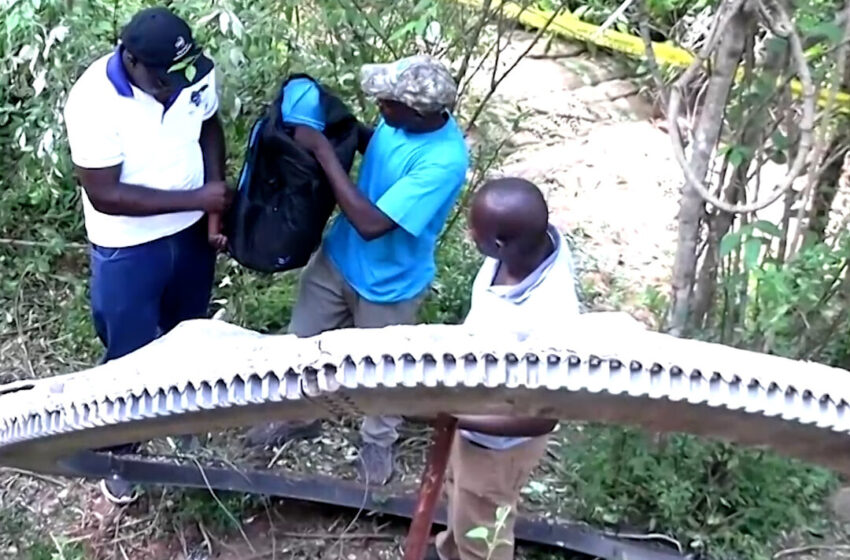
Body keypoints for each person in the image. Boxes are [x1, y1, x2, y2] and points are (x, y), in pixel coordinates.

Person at [246, 55, 470, 485]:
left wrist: (324, 153)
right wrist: (339, 133)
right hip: (339, 261)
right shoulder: (400, 120)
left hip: (390, 282)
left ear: (419, 111)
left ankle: (378, 440)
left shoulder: (443, 161)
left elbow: (371, 225)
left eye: (387, 102)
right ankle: (298, 417)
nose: (380, 106)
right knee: (301, 348)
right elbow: (376, 143)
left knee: (381, 371)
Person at [63, 6, 230, 504]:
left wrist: (212, 207)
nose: (176, 88)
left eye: (183, 77)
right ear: (131, 61)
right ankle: (121, 453)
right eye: (164, 80)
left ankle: (182, 418)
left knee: (188, 334)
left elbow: (210, 125)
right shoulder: (93, 102)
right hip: (127, 248)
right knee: (128, 353)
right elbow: (105, 194)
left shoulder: (191, 74)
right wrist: (198, 200)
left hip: (191, 235)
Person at [433, 178, 580, 560]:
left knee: (483, 531)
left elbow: (542, 420)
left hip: (498, 445)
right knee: (461, 499)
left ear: (499, 244)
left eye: (474, 233)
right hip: (471, 417)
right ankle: (450, 551)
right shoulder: (522, 246)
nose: (468, 235)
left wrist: (456, 416)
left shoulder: (552, 315)